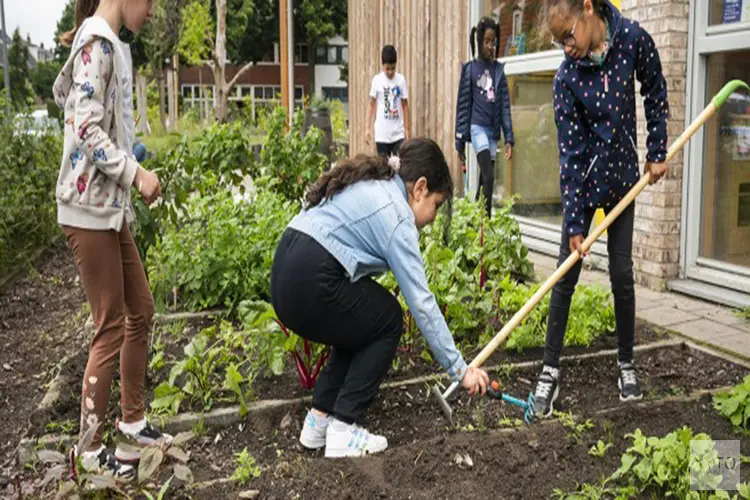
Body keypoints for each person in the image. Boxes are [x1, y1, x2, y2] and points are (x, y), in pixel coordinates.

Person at [270, 138, 489, 458]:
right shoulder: (397, 214)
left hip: (286, 275)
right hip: (308, 279)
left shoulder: (376, 186)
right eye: (436, 205)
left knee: (361, 322)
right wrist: (460, 369)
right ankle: (343, 429)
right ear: (420, 188)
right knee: (387, 317)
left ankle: (318, 423)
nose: (432, 217)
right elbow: (423, 303)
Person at [532, 0, 669, 418]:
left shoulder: (632, 40)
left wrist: (657, 149)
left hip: (624, 182)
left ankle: (626, 362)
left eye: (567, 35)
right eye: (558, 41)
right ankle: (549, 370)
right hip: (587, 186)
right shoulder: (566, 79)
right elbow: (570, 156)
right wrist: (575, 221)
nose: (565, 47)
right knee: (564, 274)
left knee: (622, 273)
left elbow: (655, 88)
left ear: (588, 10)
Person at [54, 0, 169, 480]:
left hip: (107, 208)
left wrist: (123, 166)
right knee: (110, 325)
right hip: (87, 211)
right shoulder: (97, 42)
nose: (154, 8)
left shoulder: (107, 44)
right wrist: (132, 170)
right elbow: (83, 125)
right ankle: (89, 449)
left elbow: (66, 96)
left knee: (139, 309)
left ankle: (133, 419)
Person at [454, 16, 514, 218]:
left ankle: (478, 224)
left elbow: (505, 106)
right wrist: (459, 141)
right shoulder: (470, 70)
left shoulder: (498, 71)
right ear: (479, 42)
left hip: (492, 132)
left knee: (484, 180)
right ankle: (485, 220)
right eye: (487, 42)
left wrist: (509, 138)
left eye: (494, 42)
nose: (491, 46)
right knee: (488, 175)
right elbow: (462, 106)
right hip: (477, 128)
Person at [365, 45, 411, 157]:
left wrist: (407, 129)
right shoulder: (377, 80)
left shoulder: (400, 80)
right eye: (387, 69)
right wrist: (367, 128)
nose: (390, 72)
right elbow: (371, 105)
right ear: (382, 66)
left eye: (393, 68)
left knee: (399, 166)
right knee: (384, 169)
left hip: (398, 134)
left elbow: (405, 105)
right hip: (382, 134)